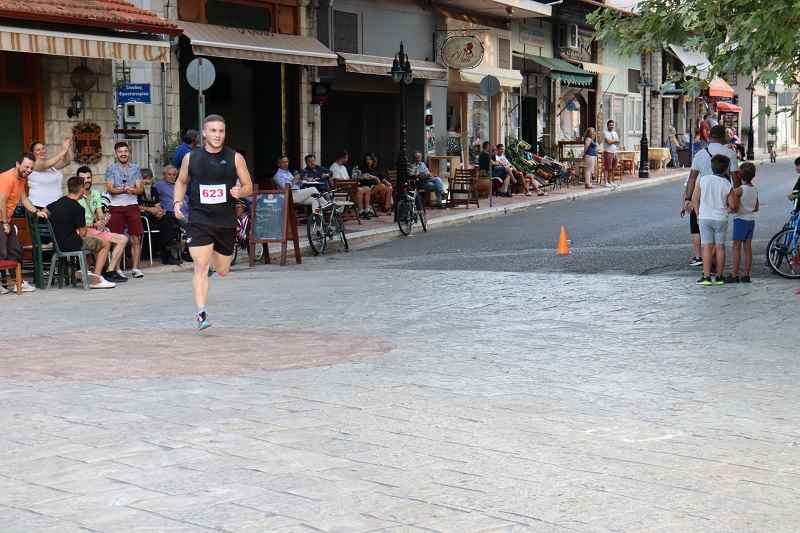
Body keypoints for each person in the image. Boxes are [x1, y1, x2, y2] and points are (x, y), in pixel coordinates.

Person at [173, 114, 253, 330]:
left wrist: (240, 191)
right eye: (213, 131)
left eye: (221, 131)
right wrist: (177, 201)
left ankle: (212, 265)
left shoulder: (235, 158)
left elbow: (248, 186)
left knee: (223, 270)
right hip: (199, 219)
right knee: (199, 265)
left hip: (225, 221)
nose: (218, 135)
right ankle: (201, 314)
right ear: (204, 133)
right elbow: (181, 181)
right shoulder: (191, 158)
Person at [682, 125, 740, 267]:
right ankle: (715, 264)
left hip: (702, 192)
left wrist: (687, 198)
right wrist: (736, 197)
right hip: (722, 194)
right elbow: (735, 178)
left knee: (701, 228)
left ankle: (704, 262)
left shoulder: (700, 154)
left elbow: (692, 178)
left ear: (709, 136)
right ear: (724, 137)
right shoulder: (730, 153)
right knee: (718, 231)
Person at [47, 176, 116, 289]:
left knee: (91, 241)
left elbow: (45, 210)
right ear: (82, 189)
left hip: (57, 244)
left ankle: (86, 270)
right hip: (73, 244)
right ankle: (96, 278)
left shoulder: (58, 202)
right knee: (105, 243)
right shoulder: (78, 208)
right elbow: (83, 233)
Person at [0, 153, 45, 292]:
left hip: (6, 219)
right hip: (2, 219)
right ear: (17, 164)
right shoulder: (8, 178)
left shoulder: (21, 179)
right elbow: (2, 201)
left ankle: (17, 282)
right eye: (26, 167)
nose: (29, 170)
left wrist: (36, 212)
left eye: (31, 168)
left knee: (15, 250)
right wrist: (5, 223)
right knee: (1, 252)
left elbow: (24, 199)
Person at [691, 154, 739, 286]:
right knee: (720, 247)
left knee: (706, 247)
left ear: (711, 167)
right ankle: (719, 277)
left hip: (705, 217)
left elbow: (695, 199)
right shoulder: (726, 184)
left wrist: (698, 214)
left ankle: (706, 276)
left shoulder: (703, 180)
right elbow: (733, 205)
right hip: (720, 218)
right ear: (726, 169)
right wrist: (728, 210)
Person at [76, 166, 129, 282]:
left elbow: (100, 215)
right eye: (83, 178)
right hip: (82, 230)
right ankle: (97, 273)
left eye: (88, 178)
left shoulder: (95, 193)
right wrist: (95, 224)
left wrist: (104, 220)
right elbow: (76, 223)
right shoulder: (75, 196)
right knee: (105, 242)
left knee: (123, 239)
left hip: (94, 230)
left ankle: (110, 271)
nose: (86, 181)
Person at [105, 141, 144, 279]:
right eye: (120, 151)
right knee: (116, 238)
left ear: (129, 152)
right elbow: (110, 189)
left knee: (136, 238)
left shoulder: (136, 168)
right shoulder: (111, 168)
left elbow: (140, 189)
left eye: (125, 151)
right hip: (116, 207)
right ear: (116, 153)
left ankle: (136, 268)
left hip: (132, 205)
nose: (123, 154)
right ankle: (117, 269)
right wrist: (124, 190)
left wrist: (132, 190)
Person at [727, 162, 758, 283]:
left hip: (740, 220)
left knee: (736, 247)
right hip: (751, 221)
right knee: (747, 248)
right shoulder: (754, 189)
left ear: (739, 176)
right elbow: (756, 207)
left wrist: (729, 210)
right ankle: (747, 274)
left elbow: (733, 206)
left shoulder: (739, 190)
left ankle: (734, 274)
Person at [28, 139, 72, 209]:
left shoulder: (51, 165)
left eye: (43, 149)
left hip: (56, 205)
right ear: (32, 153)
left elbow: (67, 162)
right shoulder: (32, 164)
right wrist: (63, 150)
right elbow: (45, 165)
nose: (41, 151)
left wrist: (66, 149)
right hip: (38, 206)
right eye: (38, 150)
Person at [330, 151, 372, 219]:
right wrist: (351, 183)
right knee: (359, 190)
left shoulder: (343, 167)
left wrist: (354, 181)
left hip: (347, 187)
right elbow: (336, 181)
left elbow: (348, 179)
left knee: (367, 188)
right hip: (340, 189)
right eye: (346, 158)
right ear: (342, 158)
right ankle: (360, 211)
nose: (347, 160)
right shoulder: (334, 167)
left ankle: (367, 210)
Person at [601, 120, 619, 186]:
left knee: (612, 168)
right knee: (607, 167)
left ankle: (610, 181)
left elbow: (618, 142)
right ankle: (606, 182)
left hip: (614, 152)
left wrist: (613, 141)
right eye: (610, 125)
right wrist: (614, 141)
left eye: (612, 125)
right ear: (607, 126)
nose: (611, 126)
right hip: (608, 152)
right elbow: (608, 142)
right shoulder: (605, 133)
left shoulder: (615, 133)